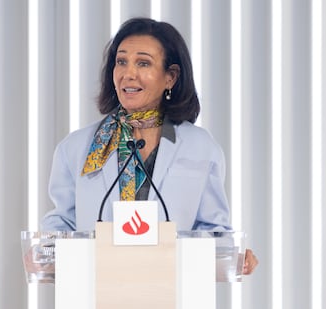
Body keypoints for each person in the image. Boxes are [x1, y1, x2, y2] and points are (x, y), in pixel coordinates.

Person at [41, 17, 258, 274]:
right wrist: (45, 251)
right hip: (98, 290)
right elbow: (63, 221)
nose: (128, 73)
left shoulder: (201, 147)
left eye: (143, 63)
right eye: (121, 62)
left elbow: (211, 230)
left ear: (170, 77)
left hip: (171, 290)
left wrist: (233, 255)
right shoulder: (76, 147)